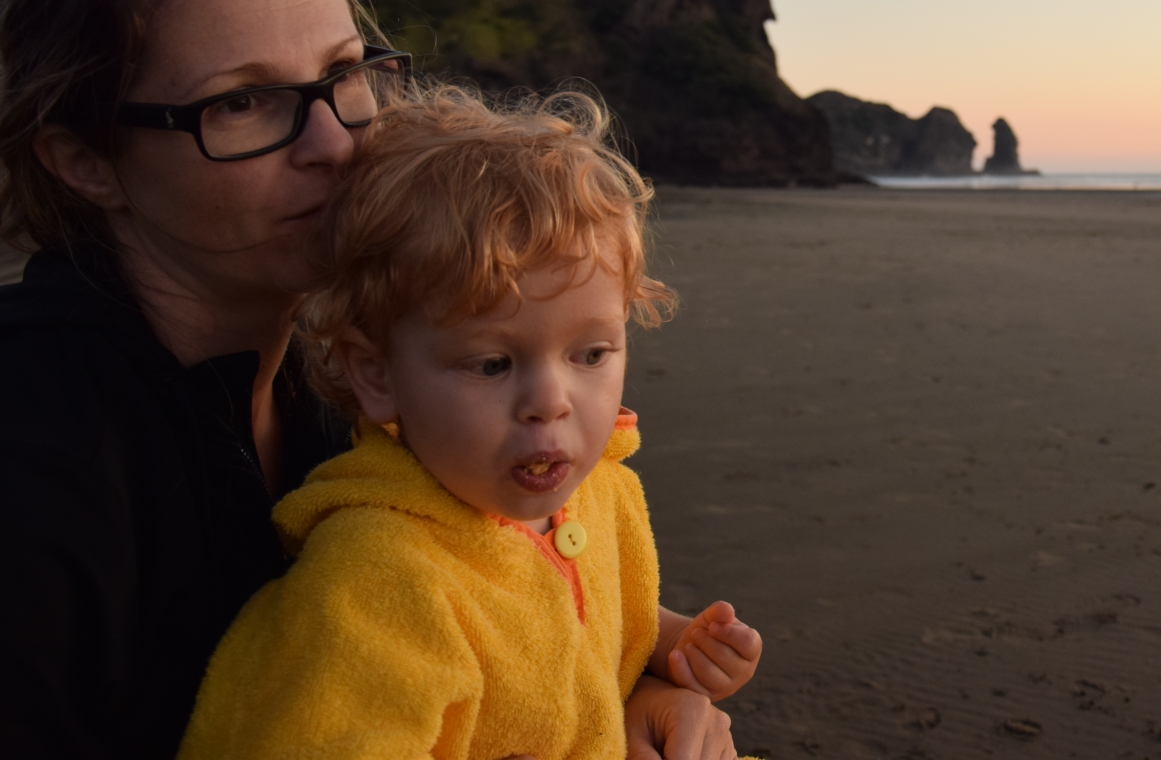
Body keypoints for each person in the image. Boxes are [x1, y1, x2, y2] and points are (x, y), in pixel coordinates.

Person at [0, 0, 735, 759]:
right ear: (86, 161)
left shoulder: (367, 375)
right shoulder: (37, 455)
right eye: (240, 102)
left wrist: (639, 694)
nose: (335, 143)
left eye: (344, 76)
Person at [178, 88, 760, 759]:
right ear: (376, 373)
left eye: (591, 354)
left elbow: (588, 610)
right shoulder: (376, 583)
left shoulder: (599, 493)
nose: (551, 401)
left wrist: (674, 644)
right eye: (491, 364)